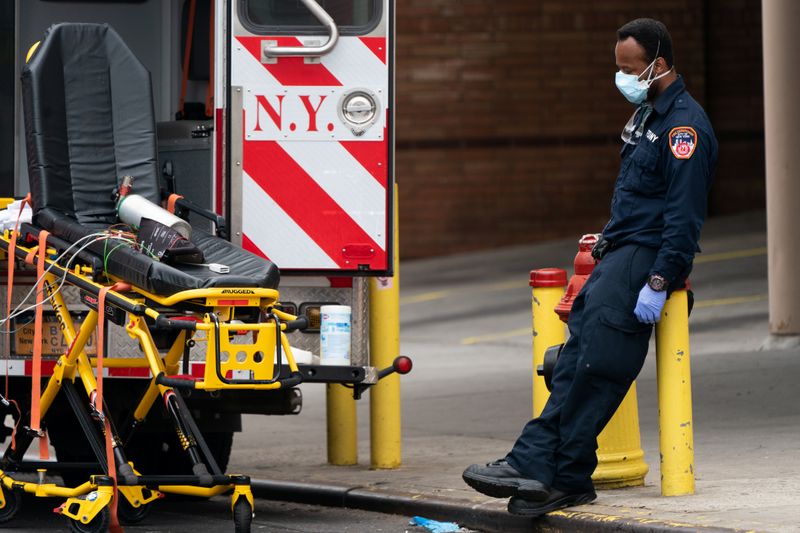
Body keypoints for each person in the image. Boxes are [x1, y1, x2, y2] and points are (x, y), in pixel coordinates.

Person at [462, 18, 718, 517]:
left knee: (593, 368)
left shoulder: (683, 127)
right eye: (618, 67)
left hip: (642, 261)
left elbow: (684, 217)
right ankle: (568, 477)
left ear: (659, 65)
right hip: (619, 254)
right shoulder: (648, 116)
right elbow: (638, 197)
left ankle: (533, 461)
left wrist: (660, 280)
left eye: (630, 69)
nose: (621, 77)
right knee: (574, 364)